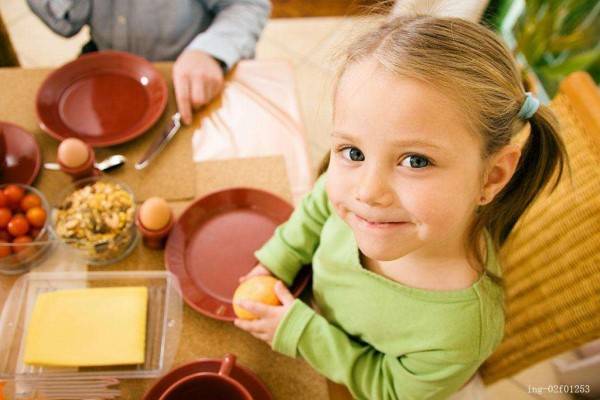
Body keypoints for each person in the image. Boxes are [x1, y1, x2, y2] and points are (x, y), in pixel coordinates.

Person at [233, 15, 569, 400]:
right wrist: (278, 260)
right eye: (353, 152)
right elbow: (316, 206)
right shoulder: (360, 204)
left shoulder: (462, 327)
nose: (368, 191)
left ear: (490, 178)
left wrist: (302, 333)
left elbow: (389, 388)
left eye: (416, 161)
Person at [26, 0, 271, 125]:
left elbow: (248, 4)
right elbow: (66, 23)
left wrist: (210, 53)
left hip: (190, 74)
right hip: (112, 75)